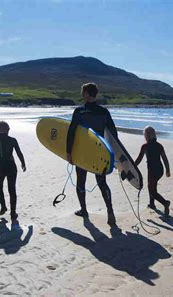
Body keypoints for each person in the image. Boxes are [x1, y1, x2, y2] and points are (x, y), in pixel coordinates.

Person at [66, 82, 118, 226]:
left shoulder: (80, 111)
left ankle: (84, 210)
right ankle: (110, 211)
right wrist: (112, 154)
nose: (82, 95)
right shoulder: (104, 112)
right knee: (102, 183)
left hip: (82, 153)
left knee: (81, 181)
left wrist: (69, 152)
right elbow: (113, 134)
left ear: (87, 94)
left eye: (83, 92)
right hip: (99, 152)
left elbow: (71, 132)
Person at [0, 121, 26, 220]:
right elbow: (19, 153)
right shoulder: (12, 140)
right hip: (11, 166)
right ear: (8, 129)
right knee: (12, 189)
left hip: (0, 167)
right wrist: (23, 163)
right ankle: (13, 213)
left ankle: (3, 207)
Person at [135, 126, 171, 216]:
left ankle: (165, 203)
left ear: (146, 135)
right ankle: (152, 204)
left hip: (152, 170)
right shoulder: (159, 145)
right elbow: (165, 159)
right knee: (152, 186)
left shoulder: (145, 146)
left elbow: (139, 159)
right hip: (160, 170)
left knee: (152, 191)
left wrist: (133, 166)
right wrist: (167, 170)